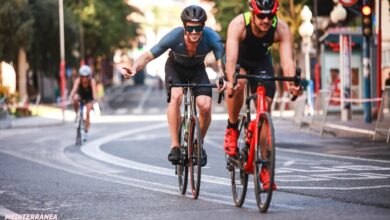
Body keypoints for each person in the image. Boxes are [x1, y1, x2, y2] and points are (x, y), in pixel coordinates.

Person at [122, 5, 226, 166]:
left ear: (203, 27)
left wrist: (222, 77)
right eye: (190, 28)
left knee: (205, 106)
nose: (194, 32)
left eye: (198, 28)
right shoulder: (174, 37)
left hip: (198, 70)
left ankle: (199, 144)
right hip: (175, 68)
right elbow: (148, 56)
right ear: (184, 27)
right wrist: (134, 68)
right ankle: (175, 146)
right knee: (176, 96)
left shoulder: (211, 37)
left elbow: (222, 62)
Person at [223, 0, 302, 190]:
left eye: (270, 16)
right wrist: (231, 82)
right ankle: (232, 128)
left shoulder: (281, 28)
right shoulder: (238, 24)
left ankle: (265, 168)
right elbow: (231, 60)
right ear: (253, 12)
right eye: (261, 15)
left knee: (265, 107)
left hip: (261, 62)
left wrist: (292, 84)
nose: (266, 20)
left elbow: (287, 62)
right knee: (239, 84)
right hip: (239, 60)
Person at [68, 65, 97, 141]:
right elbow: (74, 90)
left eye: (86, 77)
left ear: (89, 76)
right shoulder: (78, 80)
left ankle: (86, 131)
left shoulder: (92, 81)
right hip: (81, 96)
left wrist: (94, 101)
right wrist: (70, 97)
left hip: (89, 98)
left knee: (88, 111)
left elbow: (94, 94)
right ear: (80, 76)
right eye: (82, 76)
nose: (84, 78)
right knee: (75, 98)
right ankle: (77, 114)